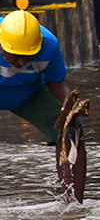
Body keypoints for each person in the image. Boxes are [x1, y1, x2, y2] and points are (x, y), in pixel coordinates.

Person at [1, 9, 75, 145]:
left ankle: (68, 166)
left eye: (27, 56)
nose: (22, 62)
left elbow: (56, 84)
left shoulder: (49, 45)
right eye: (16, 55)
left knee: (70, 131)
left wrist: (72, 103)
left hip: (30, 95)